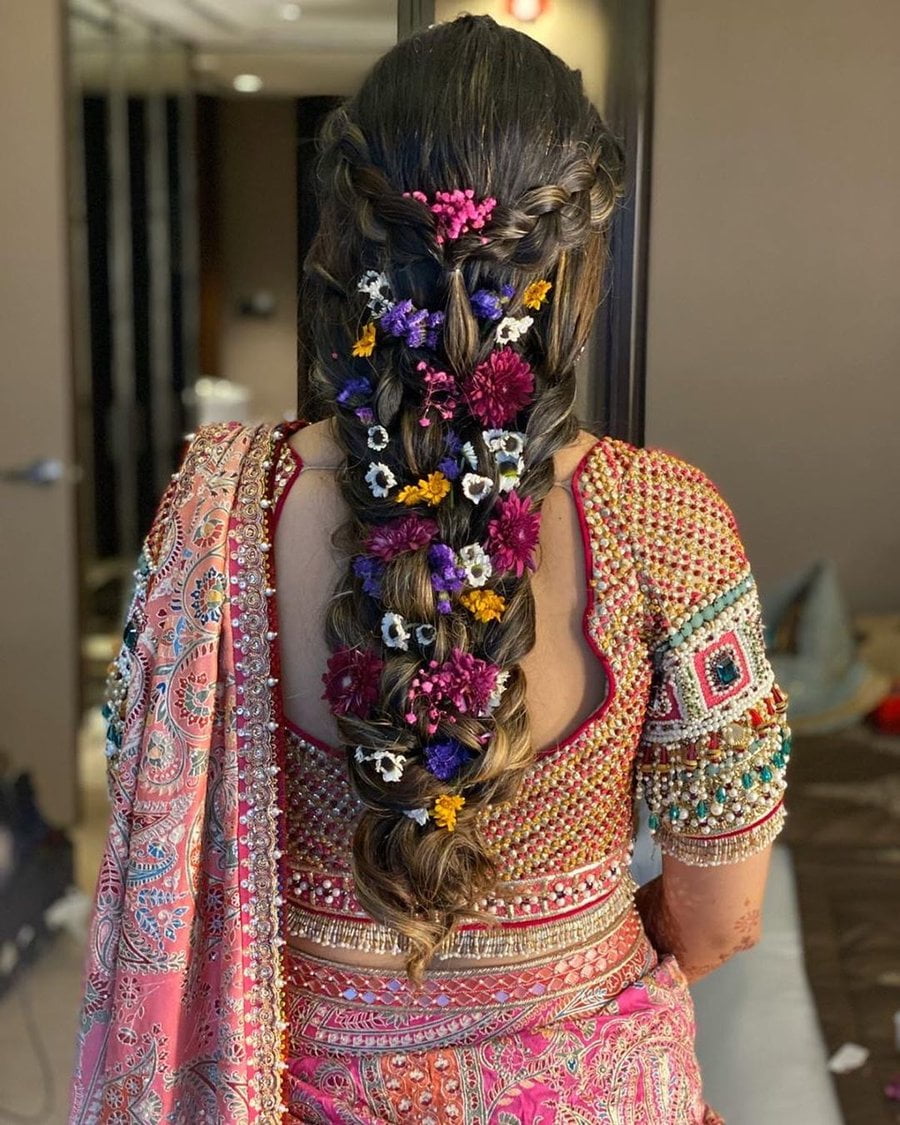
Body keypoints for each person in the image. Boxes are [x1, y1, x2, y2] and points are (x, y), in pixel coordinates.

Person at [70, 15, 791, 1124]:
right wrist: (544, 987)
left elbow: (141, 789)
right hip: (584, 1090)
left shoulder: (219, 507)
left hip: (286, 1088)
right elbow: (722, 915)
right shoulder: (666, 520)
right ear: (576, 254)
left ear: (347, 242)